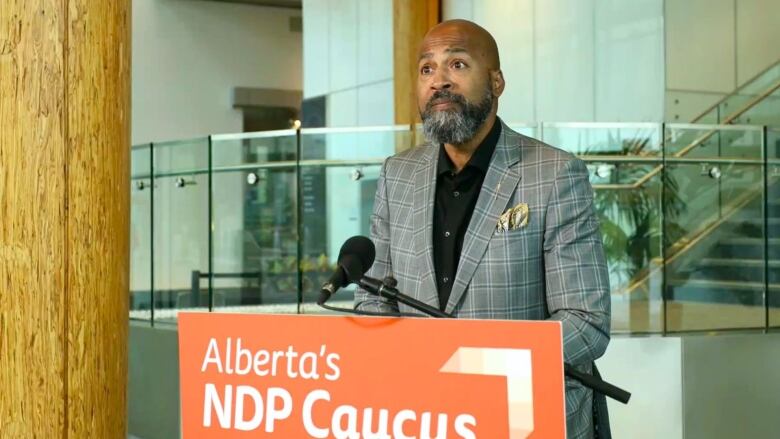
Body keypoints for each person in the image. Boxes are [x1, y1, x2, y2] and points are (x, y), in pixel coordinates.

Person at [354, 19, 611, 438]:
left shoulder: (554, 173)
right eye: (427, 69)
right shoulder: (396, 174)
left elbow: (586, 323)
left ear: (496, 81)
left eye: (457, 65)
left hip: (525, 415)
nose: (439, 81)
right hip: (421, 415)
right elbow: (373, 300)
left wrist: (471, 367)